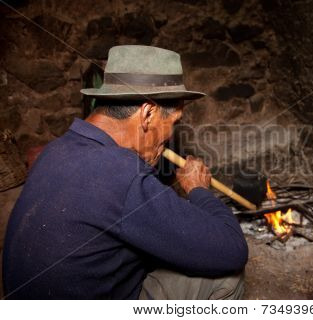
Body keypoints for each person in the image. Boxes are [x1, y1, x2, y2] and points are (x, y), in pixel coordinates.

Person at [2, 45, 248, 299]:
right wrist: (198, 188)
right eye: (174, 122)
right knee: (227, 278)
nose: (171, 135)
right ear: (148, 113)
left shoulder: (54, 150)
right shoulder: (122, 174)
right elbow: (232, 249)